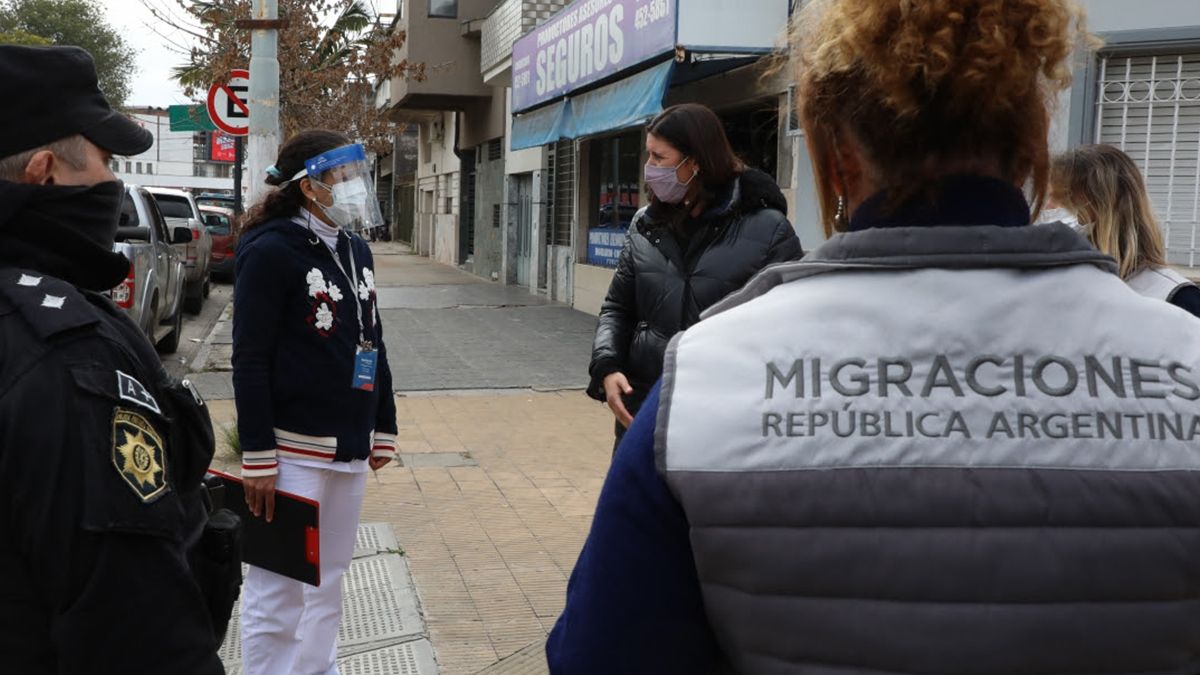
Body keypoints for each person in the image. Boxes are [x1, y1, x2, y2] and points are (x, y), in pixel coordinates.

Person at [548, 1, 1200, 672]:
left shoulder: (700, 388)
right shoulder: (1186, 355)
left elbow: (599, 654)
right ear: (1034, 144)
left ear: (832, 154)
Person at [0, 45, 229, 673]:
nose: (112, 184)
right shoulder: (70, 359)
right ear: (45, 172)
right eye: (106, 162)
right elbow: (134, 627)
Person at [233, 129, 399, 675]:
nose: (355, 187)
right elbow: (249, 358)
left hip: (349, 446)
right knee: (279, 587)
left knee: (329, 580)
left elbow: (373, 340)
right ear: (310, 185)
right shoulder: (269, 249)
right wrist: (257, 454)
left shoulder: (355, 249)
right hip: (290, 451)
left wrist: (383, 425)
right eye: (344, 176)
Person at [587, 103, 802, 445]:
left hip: (726, 421)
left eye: (659, 158)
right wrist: (607, 366)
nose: (649, 169)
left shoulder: (769, 230)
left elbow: (790, 334)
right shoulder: (645, 224)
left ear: (695, 162)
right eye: (648, 155)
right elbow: (617, 308)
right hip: (642, 409)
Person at [1051, 143, 1200, 317]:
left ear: (1105, 206)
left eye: (1064, 198)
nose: (1047, 210)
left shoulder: (1175, 297)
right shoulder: (1058, 287)